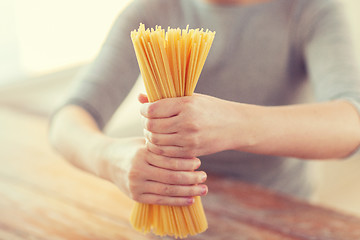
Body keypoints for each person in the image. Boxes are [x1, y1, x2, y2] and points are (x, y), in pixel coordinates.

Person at [49, 0, 360, 206]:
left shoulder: (310, 10)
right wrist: (109, 157)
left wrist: (236, 125)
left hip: (278, 211)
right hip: (169, 215)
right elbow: (66, 120)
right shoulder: (151, 11)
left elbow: (351, 122)